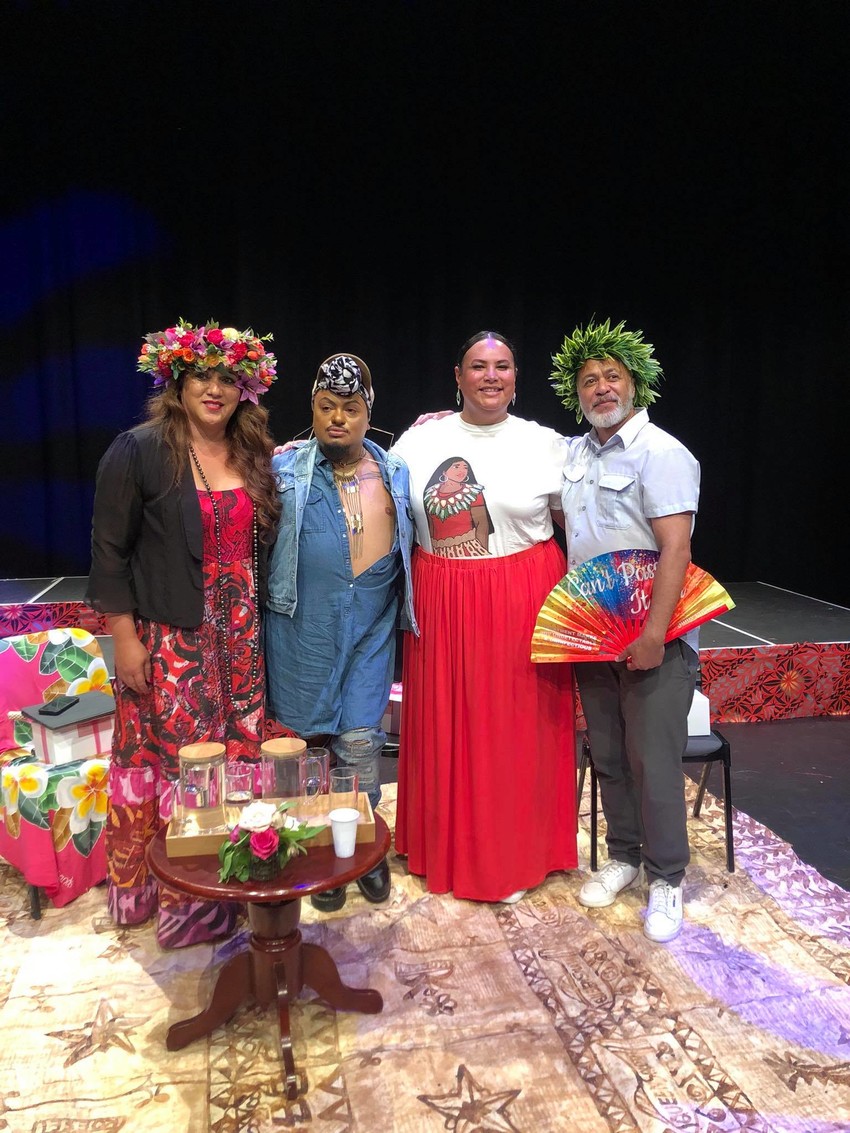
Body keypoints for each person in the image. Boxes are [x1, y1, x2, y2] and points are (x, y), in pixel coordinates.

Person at [86, 319, 280, 946]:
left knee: (238, 759)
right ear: (177, 379)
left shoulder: (251, 450)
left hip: (240, 640)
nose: (216, 389)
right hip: (173, 642)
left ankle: (239, 882)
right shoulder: (139, 449)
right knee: (184, 767)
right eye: (203, 375)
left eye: (229, 377)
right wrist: (124, 636)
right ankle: (188, 908)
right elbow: (109, 551)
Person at [393, 331, 577, 903]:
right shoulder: (419, 443)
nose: (490, 376)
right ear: (457, 375)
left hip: (524, 596)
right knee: (447, 722)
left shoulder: (547, 444)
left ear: (517, 378)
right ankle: (441, 847)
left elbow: (581, 522)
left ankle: (517, 855)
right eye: (478, 366)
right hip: (443, 599)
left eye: (502, 366)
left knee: (515, 729)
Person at [550, 318, 700, 943]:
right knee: (608, 755)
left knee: (653, 761)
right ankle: (626, 856)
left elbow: (675, 548)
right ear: (576, 393)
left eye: (613, 377)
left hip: (653, 638)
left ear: (635, 385)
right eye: (589, 380)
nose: (602, 388)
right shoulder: (575, 454)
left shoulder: (661, 453)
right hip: (594, 634)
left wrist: (655, 634)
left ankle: (667, 878)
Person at [264, 353, 417, 911]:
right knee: (310, 749)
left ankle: (363, 852)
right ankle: (319, 858)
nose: (337, 419)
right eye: (326, 407)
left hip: (371, 628)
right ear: (312, 408)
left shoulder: (394, 469)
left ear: (367, 413)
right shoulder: (282, 470)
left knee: (360, 743)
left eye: (350, 409)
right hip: (302, 627)